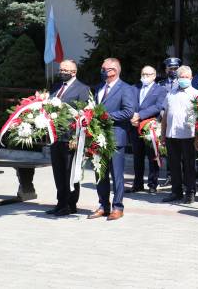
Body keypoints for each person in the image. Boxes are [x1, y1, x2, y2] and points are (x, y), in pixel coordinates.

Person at [88, 58, 135, 221]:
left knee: (116, 175)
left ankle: (117, 207)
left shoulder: (126, 89)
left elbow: (128, 112)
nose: (101, 70)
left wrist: (106, 116)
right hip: (98, 137)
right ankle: (103, 206)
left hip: (115, 137)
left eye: (104, 68)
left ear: (114, 70)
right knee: (100, 173)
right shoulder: (100, 87)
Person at [47, 60, 90, 216]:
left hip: (71, 138)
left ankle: (71, 204)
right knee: (58, 172)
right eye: (61, 69)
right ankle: (60, 203)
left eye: (65, 70)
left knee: (70, 172)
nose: (62, 72)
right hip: (55, 136)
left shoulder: (82, 88)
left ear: (74, 72)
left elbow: (83, 112)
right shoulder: (56, 87)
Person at [161, 65, 198, 204]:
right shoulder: (171, 93)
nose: (183, 79)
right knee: (174, 164)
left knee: (189, 165)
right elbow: (165, 114)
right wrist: (163, 134)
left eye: (186, 77)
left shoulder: (196, 94)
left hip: (188, 135)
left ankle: (190, 192)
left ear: (191, 78)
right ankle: (176, 191)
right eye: (181, 77)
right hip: (172, 134)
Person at [128, 66, 167, 194]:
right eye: (143, 74)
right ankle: (137, 184)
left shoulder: (160, 90)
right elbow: (129, 104)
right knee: (137, 157)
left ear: (154, 75)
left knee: (153, 157)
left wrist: (140, 115)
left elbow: (158, 106)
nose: (145, 76)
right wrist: (132, 116)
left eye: (148, 74)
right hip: (134, 127)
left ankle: (152, 184)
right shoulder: (134, 88)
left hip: (150, 128)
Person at [158, 57, 182, 188]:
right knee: (168, 150)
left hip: (179, 121)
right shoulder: (160, 84)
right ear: (166, 69)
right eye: (170, 68)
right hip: (164, 120)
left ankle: (181, 176)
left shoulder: (183, 83)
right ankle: (170, 175)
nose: (173, 71)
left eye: (175, 68)